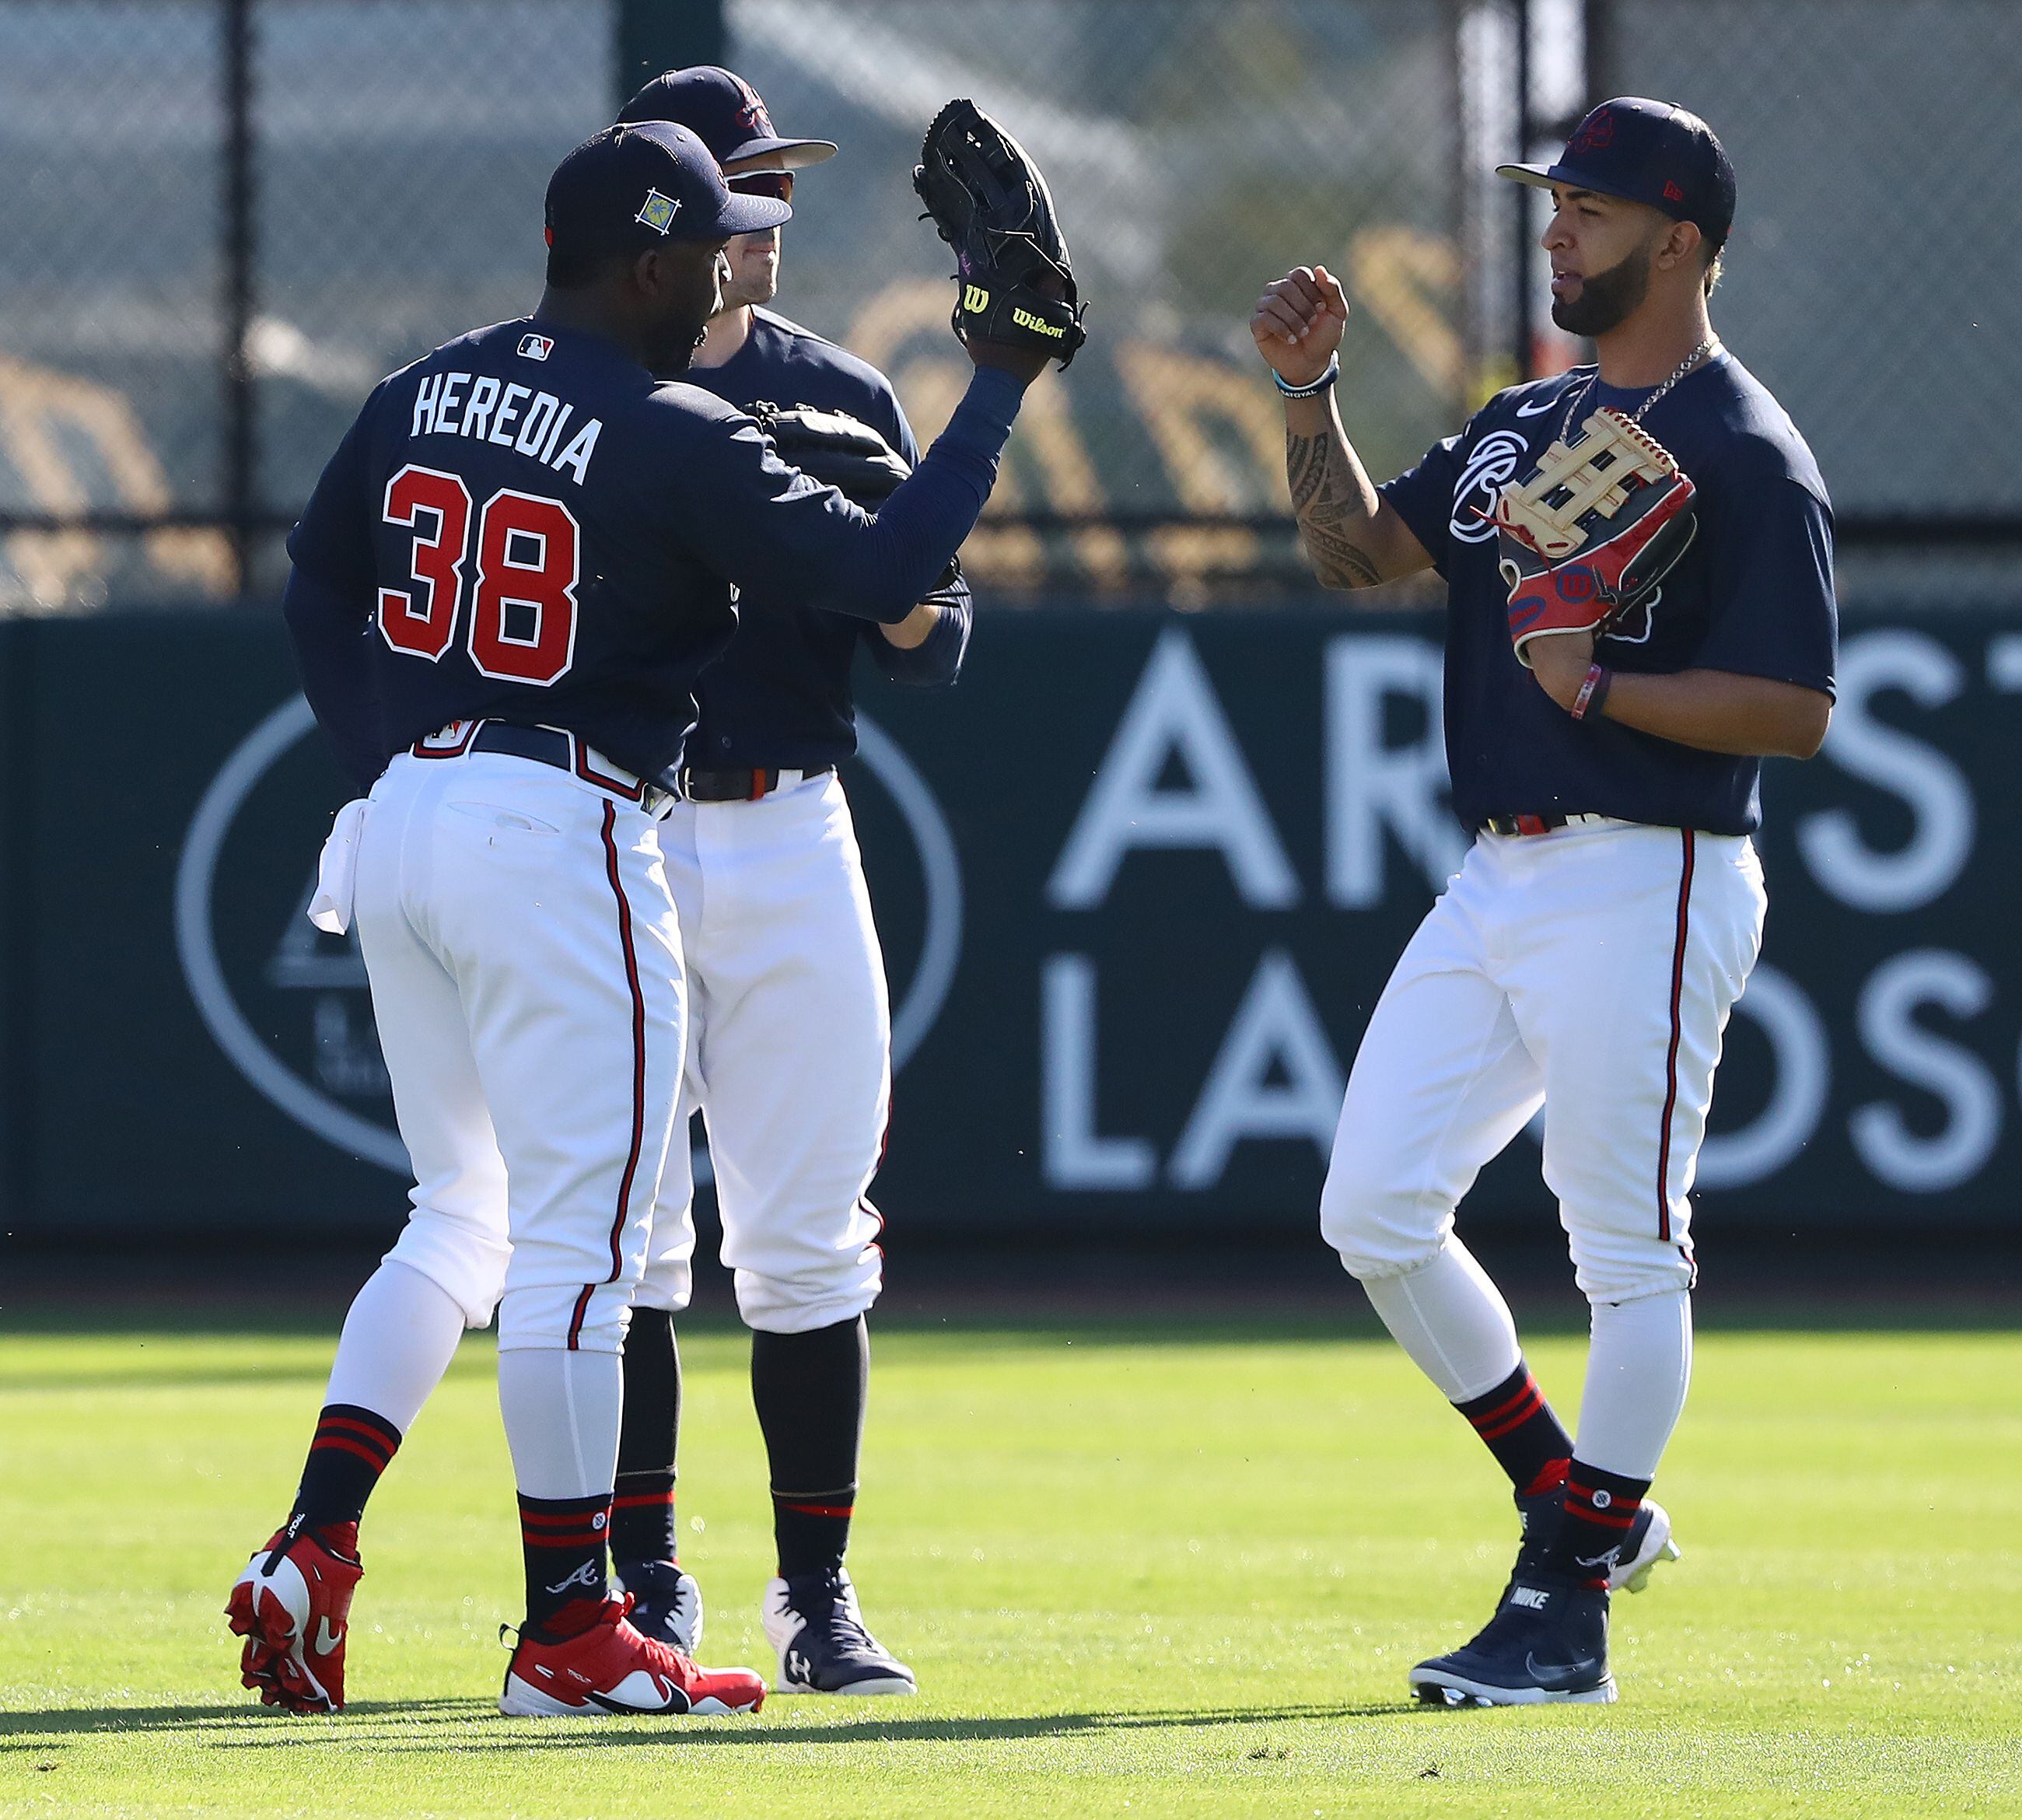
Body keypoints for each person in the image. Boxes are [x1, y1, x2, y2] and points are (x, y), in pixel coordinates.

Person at [226, 118, 1053, 1719]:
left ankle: (316, 1545)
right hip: (567, 821)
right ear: (652, 258)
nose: (751, 250)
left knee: (460, 1215)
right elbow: (892, 556)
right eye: (722, 229)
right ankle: (572, 1622)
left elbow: (318, 579)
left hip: (410, 811)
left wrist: (378, 755)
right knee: (596, 1254)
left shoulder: (429, 384)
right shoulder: (666, 426)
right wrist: (1004, 381)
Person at [1250, 97, 1835, 1706]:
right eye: (1554, 201)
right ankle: (1579, 1502)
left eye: (1590, 207)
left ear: (1682, 240)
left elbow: (1793, 709)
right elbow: (1358, 552)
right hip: (1498, 871)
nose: (1558, 228)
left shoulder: (1741, 445)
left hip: (1647, 870)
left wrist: (1603, 696)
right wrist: (1309, 395)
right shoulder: (1530, 414)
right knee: (1370, 1206)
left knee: (1627, 1252)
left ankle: (1562, 1609)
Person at [596, 65, 966, 1699]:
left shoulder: (842, 391)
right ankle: (646, 1584)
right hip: (614, 825)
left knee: (810, 1241)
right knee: (630, 1240)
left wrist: (894, 584)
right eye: (741, 180)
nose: (771, 212)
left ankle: (814, 1597)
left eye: (784, 181)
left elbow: (934, 640)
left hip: (791, 826)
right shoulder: (584, 389)